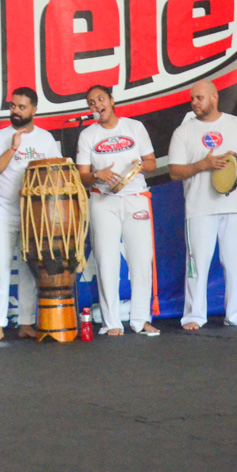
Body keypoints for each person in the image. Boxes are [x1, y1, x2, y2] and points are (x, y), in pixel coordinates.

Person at [167, 80, 237, 330]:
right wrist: (203, 165)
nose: (194, 103)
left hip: (234, 207)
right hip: (200, 208)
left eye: (199, 98)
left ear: (214, 97)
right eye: (192, 99)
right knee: (197, 264)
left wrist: (234, 158)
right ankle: (194, 316)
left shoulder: (236, 124)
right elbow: (174, 171)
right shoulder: (183, 132)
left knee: (235, 263)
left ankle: (236, 314)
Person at [76, 85, 160, 337]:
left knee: (141, 260)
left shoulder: (134, 127)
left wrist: (140, 165)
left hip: (135, 198)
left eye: (101, 99)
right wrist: (96, 175)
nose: (97, 105)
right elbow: (82, 176)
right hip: (103, 201)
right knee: (106, 261)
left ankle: (141, 320)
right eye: (91, 103)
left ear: (112, 101)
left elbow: (152, 163)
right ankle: (111, 322)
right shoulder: (87, 135)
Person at [0, 87, 62, 342]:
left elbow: (56, 175)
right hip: (3, 211)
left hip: (35, 215)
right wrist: (13, 148)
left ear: (34, 110)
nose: (16, 111)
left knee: (30, 268)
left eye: (22, 107)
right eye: (13, 106)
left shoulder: (45, 138)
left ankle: (26, 322)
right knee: (0, 266)